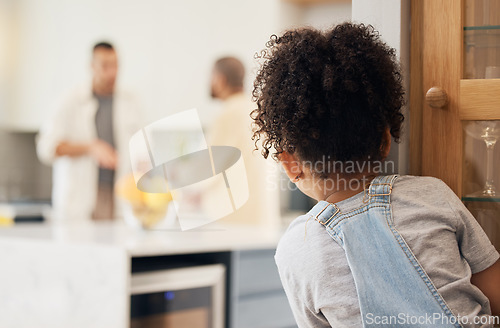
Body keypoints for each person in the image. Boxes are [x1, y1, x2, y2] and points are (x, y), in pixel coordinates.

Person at [251, 23, 500, 327]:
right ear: (385, 141)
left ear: (291, 165)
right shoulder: (433, 194)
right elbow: (494, 293)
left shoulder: (296, 247)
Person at [37, 42, 142, 221]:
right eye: (105, 66)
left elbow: (142, 147)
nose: (112, 73)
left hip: (118, 199)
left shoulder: (131, 102)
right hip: (79, 201)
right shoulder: (69, 101)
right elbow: (46, 148)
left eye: (115, 65)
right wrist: (90, 148)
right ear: (92, 66)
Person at [207, 56, 279, 227]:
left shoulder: (229, 113)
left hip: (235, 219)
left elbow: (210, 166)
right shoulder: (258, 110)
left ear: (220, 79)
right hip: (262, 215)